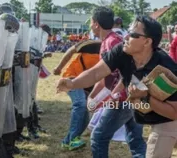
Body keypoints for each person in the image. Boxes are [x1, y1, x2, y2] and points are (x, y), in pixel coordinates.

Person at [57, 15, 177, 158]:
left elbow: (173, 113)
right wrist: (73, 83)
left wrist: (145, 97)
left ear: (147, 41)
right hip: (143, 110)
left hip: (167, 118)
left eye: (132, 34)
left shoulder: (166, 68)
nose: (125, 37)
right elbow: (96, 73)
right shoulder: (122, 51)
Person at [53, 39, 101, 150]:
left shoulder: (114, 49)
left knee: (85, 114)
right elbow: (71, 50)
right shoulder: (91, 43)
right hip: (72, 77)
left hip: (88, 84)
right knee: (80, 104)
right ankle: (72, 139)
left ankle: (68, 141)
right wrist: (59, 68)